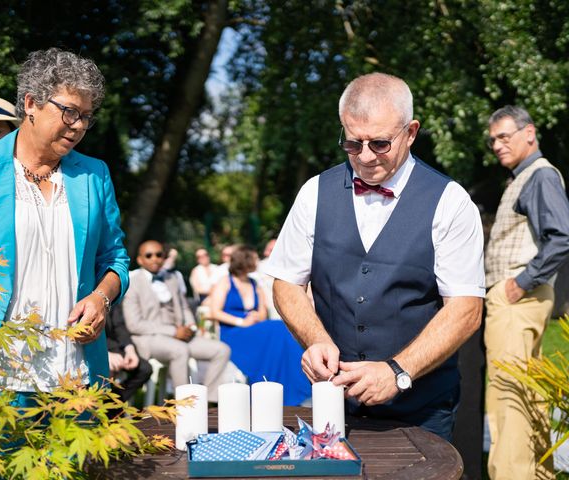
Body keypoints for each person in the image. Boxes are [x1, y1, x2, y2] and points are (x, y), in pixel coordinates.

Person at [264, 72, 485, 440]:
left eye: (380, 143)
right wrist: (315, 339)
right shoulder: (313, 193)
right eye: (353, 143)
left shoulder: (451, 202)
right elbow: (286, 282)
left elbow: (465, 310)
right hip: (334, 405)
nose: (365, 157)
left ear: (411, 132)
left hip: (422, 411)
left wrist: (398, 371)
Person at [0, 47, 130, 406]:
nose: (79, 125)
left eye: (86, 116)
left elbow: (115, 258)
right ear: (31, 103)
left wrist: (102, 297)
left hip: (75, 379)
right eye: (69, 112)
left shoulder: (94, 175)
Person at [484, 106, 569, 480]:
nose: (497, 145)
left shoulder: (539, 175)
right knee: (528, 395)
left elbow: (561, 236)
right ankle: (538, 474)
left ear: (529, 132)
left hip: (517, 298)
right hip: (523, 299)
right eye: (493, 140)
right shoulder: (526, 177)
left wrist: (520, 283)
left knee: (507, 397)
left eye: (504, 136)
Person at [122, 240, 230, 402]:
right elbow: (134, 324)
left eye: (159, 255)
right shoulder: (132, 282)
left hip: (180, 335)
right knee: (179, 350)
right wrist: (173, 331)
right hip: (149, 338)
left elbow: (184, 307)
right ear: (140, 260)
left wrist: (191, 326)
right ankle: (184, 405)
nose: (155, 259)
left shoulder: (171, 278)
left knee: (221, 350)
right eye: (149, 255)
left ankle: (206, 400)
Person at [208, 245, 311, 406]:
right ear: (245, 261)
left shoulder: (254, 283)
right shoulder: (225, 282)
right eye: (255, 259)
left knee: (280, 329)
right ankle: (286, 388)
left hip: (255, 327)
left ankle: (291, 386)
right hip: (233, 332)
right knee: (278, 330)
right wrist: (241, 321)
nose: (258, 261)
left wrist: (255, 316)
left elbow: (262, 311)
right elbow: (214, 312)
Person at [105, 304, 152, 404]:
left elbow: (119, 325)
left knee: (145, 369)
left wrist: (129, 349)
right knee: (105, 374)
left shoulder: (110, 296)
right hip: (93, 349)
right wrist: (104, 354)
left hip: (114, 347)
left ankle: (114, 406)